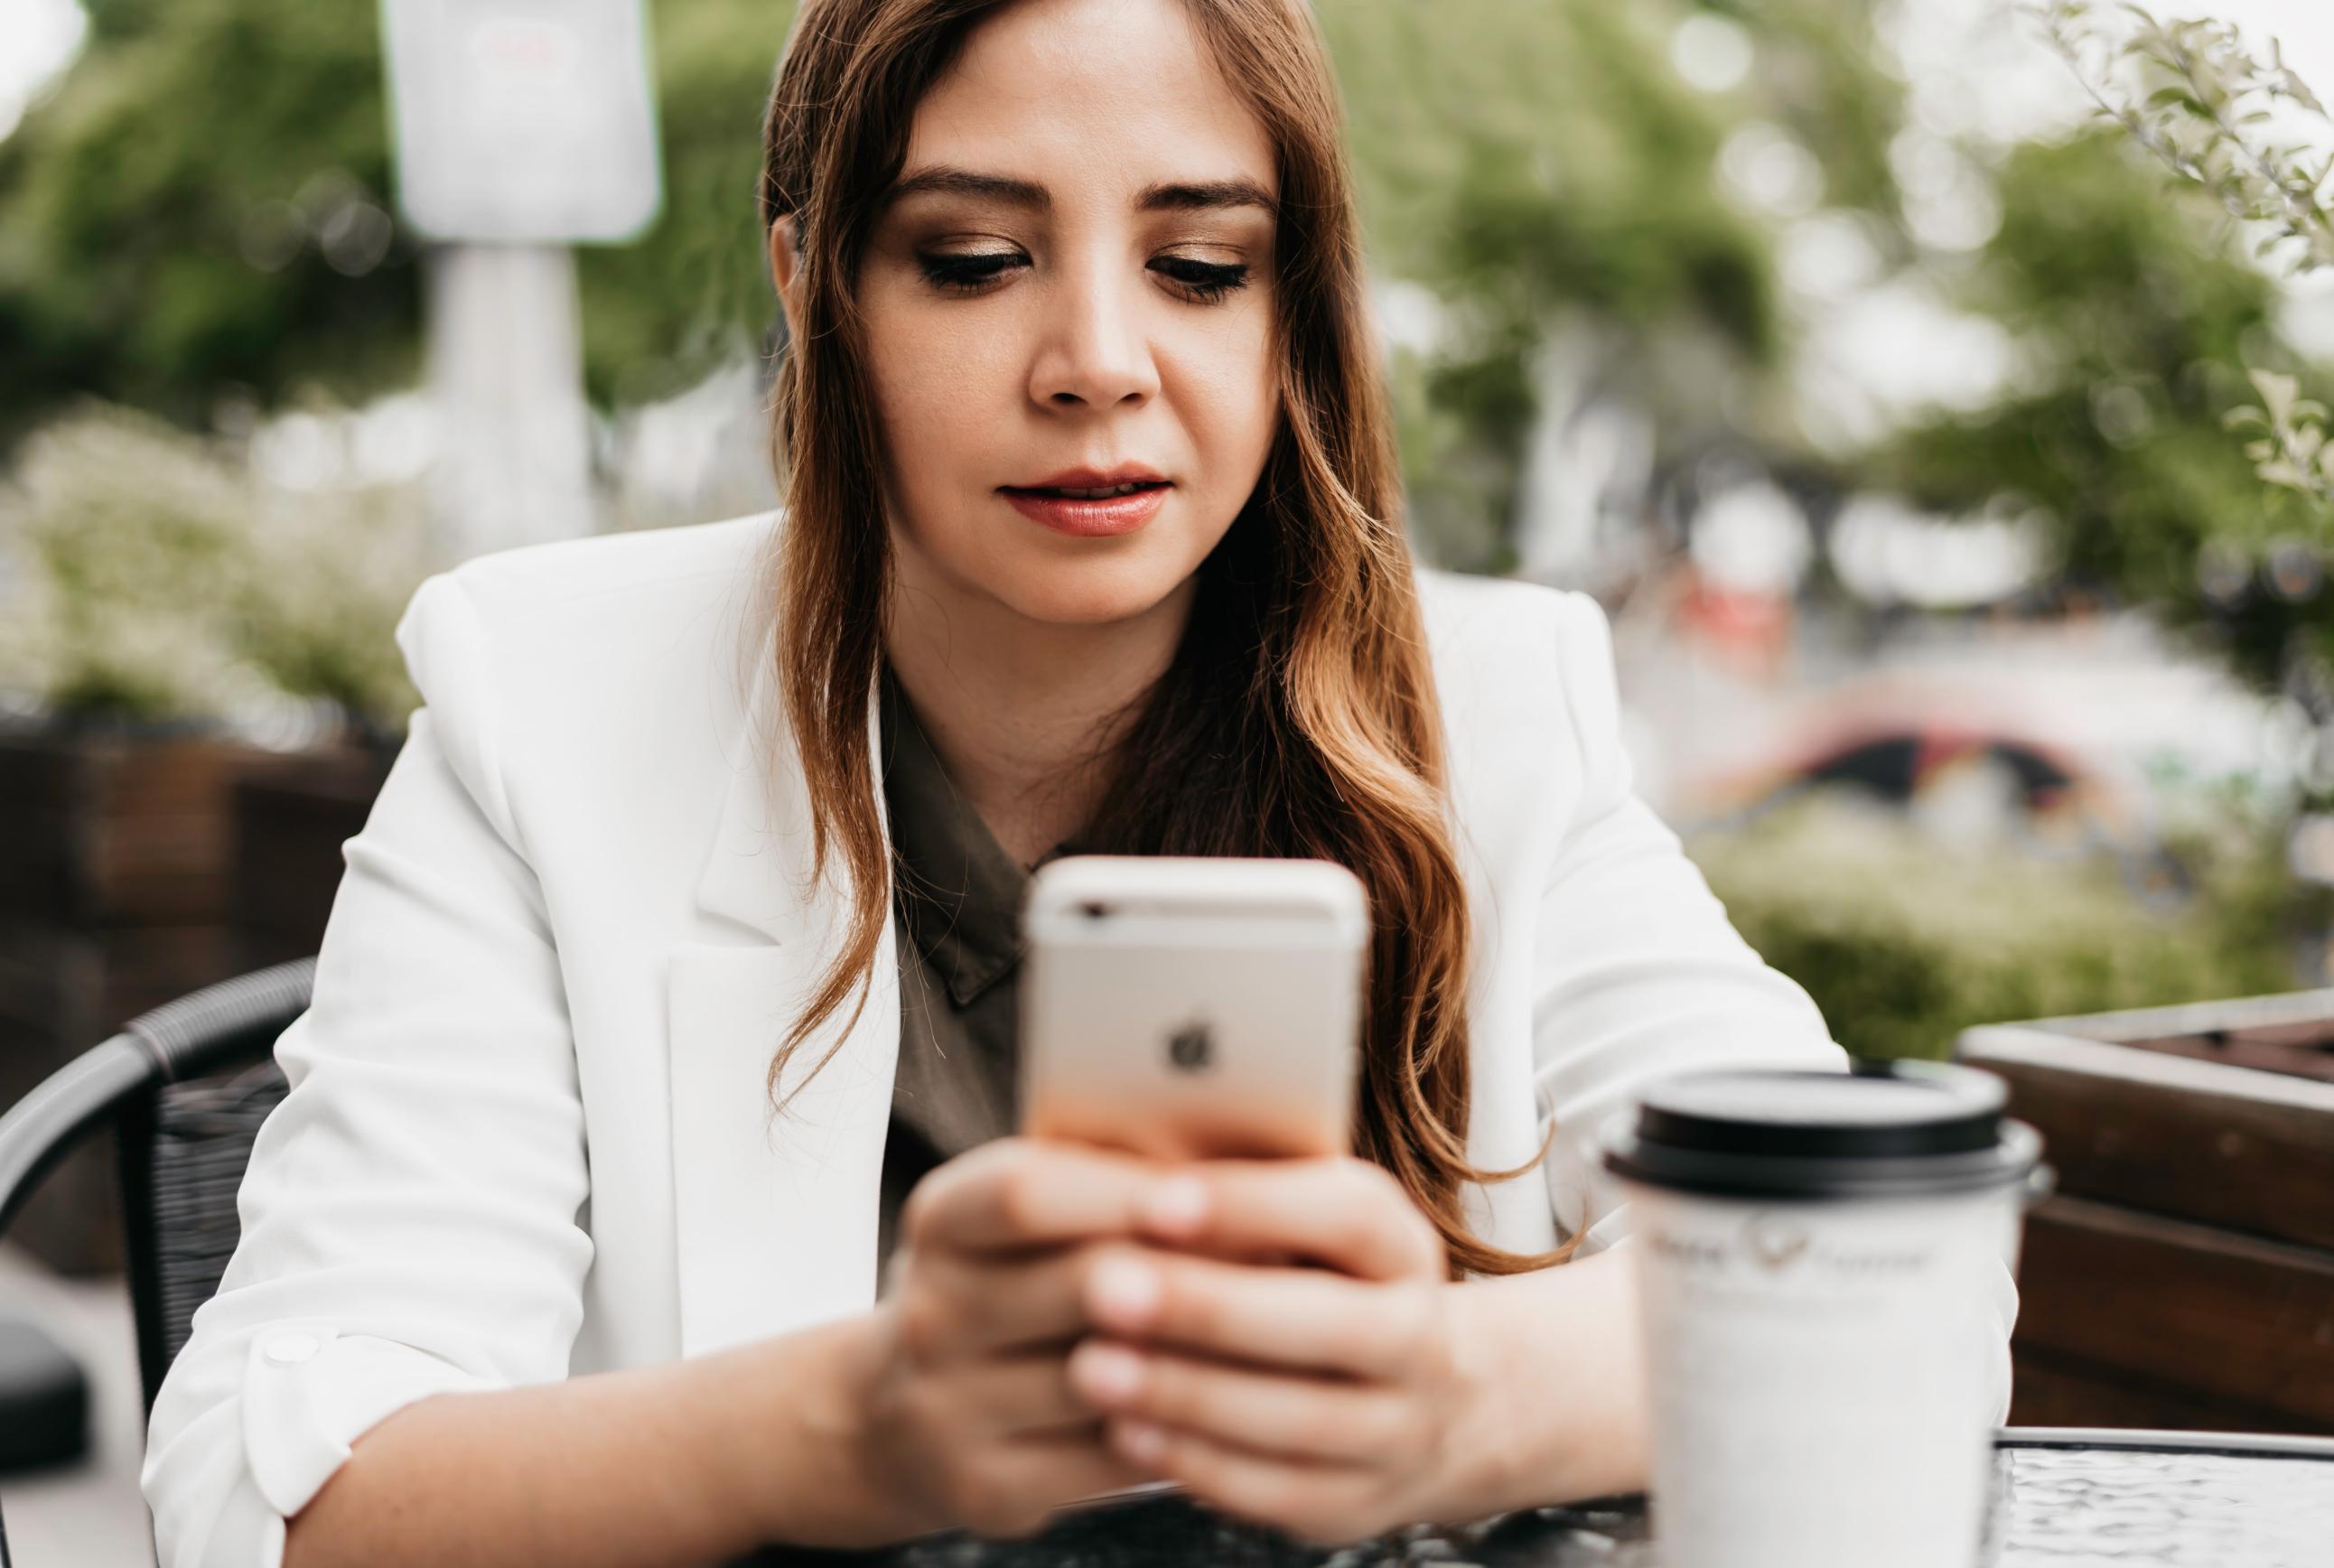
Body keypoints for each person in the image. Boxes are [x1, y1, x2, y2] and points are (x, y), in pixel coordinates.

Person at [137, 1, 1941, 1563]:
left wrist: (1440, 1403)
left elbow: (1882, 1285)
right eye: (976, 259)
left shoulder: (1489, 708)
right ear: (813, 286)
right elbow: (266, 1500)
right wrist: (859, 1428)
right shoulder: (546, 705)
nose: (1096, 363)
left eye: (1199, 263)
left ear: (1288, 306)